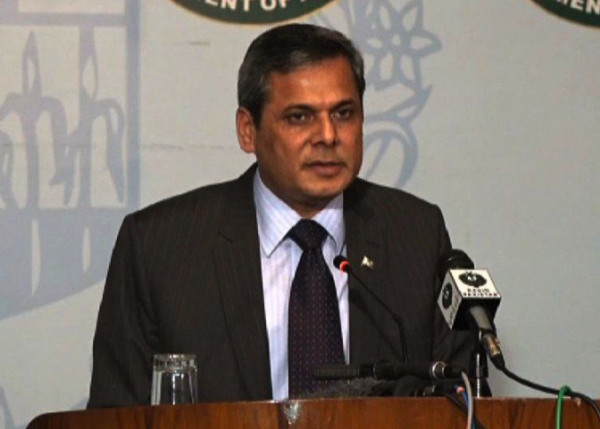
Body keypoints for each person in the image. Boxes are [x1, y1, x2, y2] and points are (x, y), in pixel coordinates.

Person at [88, 23, 472, 408]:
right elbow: (114, 415)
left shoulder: (416, 236)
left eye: (343, 113)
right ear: (248, 131)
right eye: (300, 117)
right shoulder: (159, 249)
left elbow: (460, 405)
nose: (328, 135)